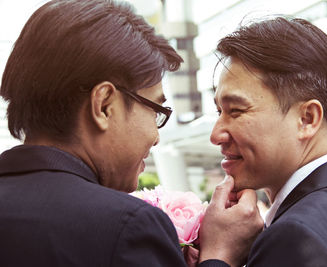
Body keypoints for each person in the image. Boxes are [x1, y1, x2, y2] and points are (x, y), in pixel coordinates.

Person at [0, 0, 262, 266]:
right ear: (104, 106)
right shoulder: (126, 227)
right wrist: (220, 256)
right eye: (155, 110)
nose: (156, 136)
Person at [199, 16, 327, 266]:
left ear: (307, 119)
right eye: (219, 112)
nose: (216, 135)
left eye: (236, 111)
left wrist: (217, 256)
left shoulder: (295, 236)